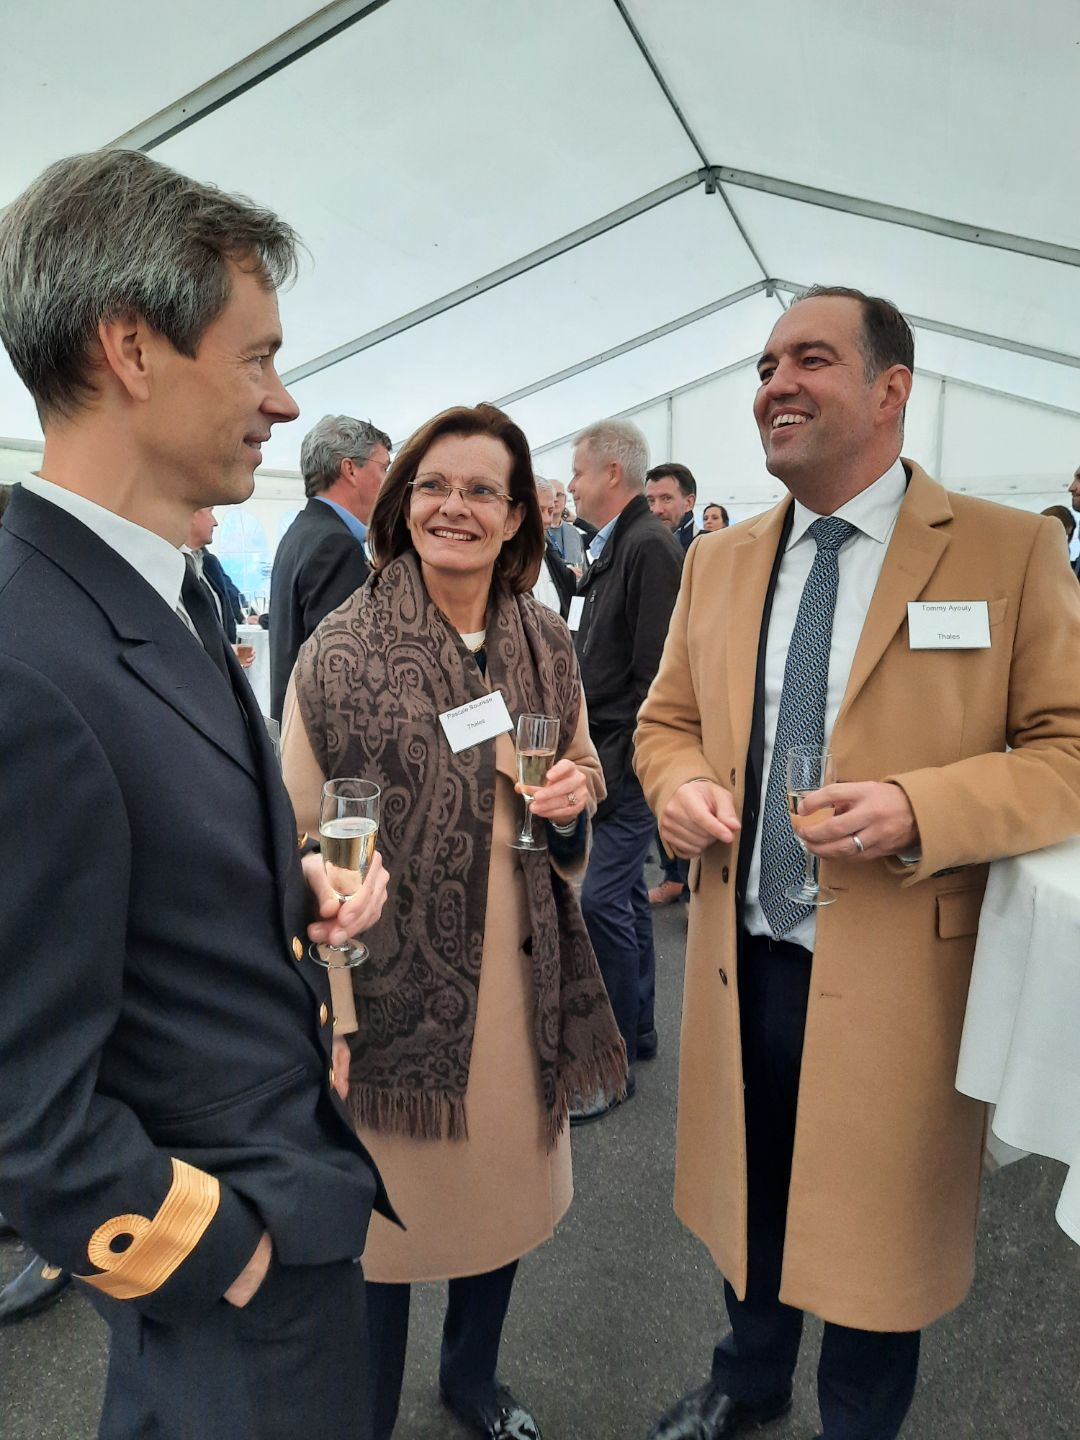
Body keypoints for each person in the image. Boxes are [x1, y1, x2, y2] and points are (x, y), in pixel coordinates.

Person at [635, 285, 1080, 1440]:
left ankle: (857, 1423)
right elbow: (666, 720)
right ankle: (748, 1381)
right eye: (765, 365)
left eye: (810, 359)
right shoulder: (718, 560)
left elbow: (1069, 751)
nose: (775, 384)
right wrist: (677, 785)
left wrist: (922, 807)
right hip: (741, 957)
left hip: (900, 973)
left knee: (878, 1243)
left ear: (892, 390)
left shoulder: (1009, 550)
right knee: (751, 1204)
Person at [0, 148, 393, 1440]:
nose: (284, 401)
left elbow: (133, 856)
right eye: (257, 356)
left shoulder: (145, 585)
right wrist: (223, 1254)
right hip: (228, 1274)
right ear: (131, 349)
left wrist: (286, 882)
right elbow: (23, 1101)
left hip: (277, 1197)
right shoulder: (25, 655)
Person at [282, 403, 625, 1440]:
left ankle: (471, 1381)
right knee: (387, 1233)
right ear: (402, 502)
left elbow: (585, 770)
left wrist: (573, 798)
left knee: (499, 1209)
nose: (454, 507)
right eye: (433, 485)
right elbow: (294, 833)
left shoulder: (544, 640)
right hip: (389, 993)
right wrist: (325, 951)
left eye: (482, 490)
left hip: (521, 977)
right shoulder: (339, 650)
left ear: (518, 516)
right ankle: (368, 1414)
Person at [569, 418, 683, 1117]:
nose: (571, 485)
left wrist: (620, 763)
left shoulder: (646, 547)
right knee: (626, 900)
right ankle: (636, 1033)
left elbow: (656, 679)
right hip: (613, 752)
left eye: (578, 472)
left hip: (627, 758)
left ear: (612, 473)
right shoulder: (621, 545)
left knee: (601, 900)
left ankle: (609, 1062)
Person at [269, 413, 391, 719]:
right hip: (325, 730)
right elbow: (344, 669)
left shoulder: (301, 532)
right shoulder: (335, 545)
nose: (388, 480)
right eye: (384, 468)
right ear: (350, 469)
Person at [532, 475, 577, 617]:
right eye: (539, 510)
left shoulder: (550, 555)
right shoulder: (504, 563)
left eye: (550, 511)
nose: (547, 519)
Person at [645, 462, 698, 552]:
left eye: (667, 499)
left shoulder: (712, 548)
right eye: (651, 501)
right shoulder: (634, 547)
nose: (657, 510)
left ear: (689, 503)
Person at [546, 476, 586, 571]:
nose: (555, 499)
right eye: (551, 494)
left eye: (559, 495)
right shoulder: (537, 531)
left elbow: (597, 535)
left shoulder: (573, 532)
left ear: (565, 499)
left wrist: (575, 520)